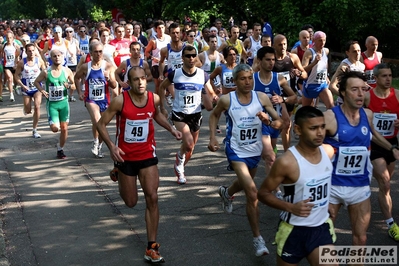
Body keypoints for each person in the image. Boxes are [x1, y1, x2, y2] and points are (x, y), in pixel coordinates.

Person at [96, 66, 182, 263]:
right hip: (125, 157)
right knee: (131, 202)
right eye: (136, 79)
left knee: (152, 196)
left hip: (147, 155)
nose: (141, 82)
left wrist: (171, 129)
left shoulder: (154, 98)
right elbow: (101, 124)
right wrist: (111, 147)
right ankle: (118, 171)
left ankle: (151, 246)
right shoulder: (120, 101)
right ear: (130, 82)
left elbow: (156, 114)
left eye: (143, 78)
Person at [208, 63, 282, 257]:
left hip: (254, 150)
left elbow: (279, 122)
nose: (247, 82)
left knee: (242, 183)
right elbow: (214, 115)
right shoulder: (227, 99)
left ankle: (226, 192)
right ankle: (258, 240)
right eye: (243, 78)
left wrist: (269, 121)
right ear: (235, 80)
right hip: (235, 150)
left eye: (250, 78)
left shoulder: (262, 98)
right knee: (251, 191)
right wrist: (213, 138)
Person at [323, 70, 399, 246]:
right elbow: (309, 143)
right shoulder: (330, 117)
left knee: (361, 238)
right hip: (332, 186)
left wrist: (392, 148)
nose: (360, 94)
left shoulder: (367, 114)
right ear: (343, 92)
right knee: (325, 238)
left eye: (363, 90)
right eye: (354, 89)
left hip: (359, 186)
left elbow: (373, 133)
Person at [258, 106, 337, 266]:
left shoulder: (328, 151)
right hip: (294, 230)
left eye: (322, 127)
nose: (320, 133)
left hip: (320, 228)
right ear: (298, 130)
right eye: (313, 128)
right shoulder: (287, 162)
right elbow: (263, 193)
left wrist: (327, 200)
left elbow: (322, 179)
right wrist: (290, 207)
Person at [159, 45, 216, 184]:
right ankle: (180, 164)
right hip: (179, 114)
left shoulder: (203, 75)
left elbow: (211, 92)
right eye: (188, 56)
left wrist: (213, 97)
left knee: (190, 149)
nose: (191, 58)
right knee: (189, 144)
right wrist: (162, 107)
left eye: (193, 55)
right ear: (182, 58)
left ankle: (180, 167)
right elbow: (162, 86)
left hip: (195, 115)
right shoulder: (175, 73)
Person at [364, 63, 399, 241]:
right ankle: (391, 224)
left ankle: (374, 203)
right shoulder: (368, 97)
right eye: (384, 76)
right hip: (375, 144)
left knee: (385, 186)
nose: (388, 79)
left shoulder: (397, 95)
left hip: (393, 142)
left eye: (390, 75)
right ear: (375, 78)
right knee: (385, 182)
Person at [253, 46, 297, 176]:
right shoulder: (252, 79)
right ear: (259, 61)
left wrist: (282, 99)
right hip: (257, 122)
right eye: (268, 60)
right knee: (270, 157)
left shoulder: (279, 79)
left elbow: (294, 98)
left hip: (275, 122)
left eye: (273, 60)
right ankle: (275, 189)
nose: (271, 62)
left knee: (269, 154)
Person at [74, 42, 117, 158]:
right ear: (91, 53)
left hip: (104, 100)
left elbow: (113, 85)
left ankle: (99, 145)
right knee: (97, 120)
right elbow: (76, 78)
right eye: (96, 52)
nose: (98, 54)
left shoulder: (108, 66)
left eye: (100, 51)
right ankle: (96, 141)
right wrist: (79, 92)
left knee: (102, 124)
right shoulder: (85, 67)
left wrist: (108, 79)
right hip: (90, 99)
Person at [33, 49, 75, 159]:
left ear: (62, 57)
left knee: (64, 128)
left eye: (59, 55)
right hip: (52, 105)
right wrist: (42, 90)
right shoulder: (46, 72)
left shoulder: (67, 71)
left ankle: (60, 149)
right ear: (51, 58)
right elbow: (36, 82)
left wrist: (69, 86)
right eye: (54, 56)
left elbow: (75, 85)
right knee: (55, 129)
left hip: (64, 104)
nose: (57, 58)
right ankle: (56, 129)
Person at [272, 34, 307, 151]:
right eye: (280, 44)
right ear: (274, 46)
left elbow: (305, 74)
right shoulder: (270, 59)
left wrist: (299, 73)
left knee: (286, 126)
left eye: (284, 44)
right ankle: (275, 148)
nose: (283, 47)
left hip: (289, 96)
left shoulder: (292, 58)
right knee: (283, 123)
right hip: (274, 97)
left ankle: (285, 151)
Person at [14, 43, 47, 138]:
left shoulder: (39, 61)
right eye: (29, 51)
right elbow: (16, 76)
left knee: (37, 107)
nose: (32, 52)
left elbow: (45, 72)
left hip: (37, 88)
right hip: (26, 89)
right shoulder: (22, 63)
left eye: (33, 50)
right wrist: (22, 85)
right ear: (26, 52)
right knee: (28, 110)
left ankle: (35, 129)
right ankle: (26, 108)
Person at [301, 31, 334, 109]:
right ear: (314, 41)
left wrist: (326, 76)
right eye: (320, 40)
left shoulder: (326, 51)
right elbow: (303, 70)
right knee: (306, 111)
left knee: (331, 107)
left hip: (322, 85)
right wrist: (314, 63)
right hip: (310, 85)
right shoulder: (309, 52)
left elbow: (325, 63)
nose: (322, 43)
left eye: (324, 40)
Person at [329, 40, 365, 105]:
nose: (357, 53)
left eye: (359, 51)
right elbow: (332, 86)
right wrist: (345, 96)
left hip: (358, 103)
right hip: (344, 104)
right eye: (354, 51)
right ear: (347, 53)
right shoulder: (344, 67)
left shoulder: (361, 65)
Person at [144, 21, 171, 95]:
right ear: (156, 29)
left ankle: (166, 98)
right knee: (158, 85)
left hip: (166, 63)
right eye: (159, 28)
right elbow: (146, 52)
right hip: (156, 64)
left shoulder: (168, 38)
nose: (161, 29)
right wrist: (153, 58)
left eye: (162, 27)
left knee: (168, 84)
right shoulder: (153, 40)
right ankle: (156, 102)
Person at [1, 31, 20, 102]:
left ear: (13, 38)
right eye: (7, 38)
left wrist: (16, 63)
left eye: (10, 38)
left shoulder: (16, 45)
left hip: (14, 65)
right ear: (6, 38)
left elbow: (18, 54)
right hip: (7, 65)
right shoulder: (4, 46)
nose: (9, 39)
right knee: (9, 78)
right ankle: (11, 94)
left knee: (15, 80)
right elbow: (1, 54)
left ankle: (15, 86)